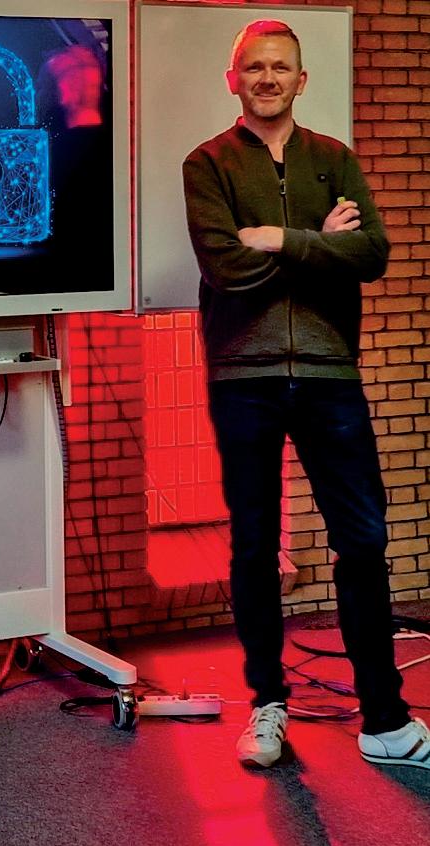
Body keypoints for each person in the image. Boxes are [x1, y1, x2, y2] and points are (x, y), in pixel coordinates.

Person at [182, 20, 430, 770]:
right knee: (255, 546)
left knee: (363, 540)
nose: (267, 78)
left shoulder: (335, 158)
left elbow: (372, 253)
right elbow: (224, 268)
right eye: (253, 67)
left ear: (300, 80)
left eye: (280, 67)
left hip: (330, 374)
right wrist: (322, 243)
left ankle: (385, 720)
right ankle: (267, 705)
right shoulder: (207, 163)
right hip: (243, 375)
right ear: (233, 80)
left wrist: (278, 238)